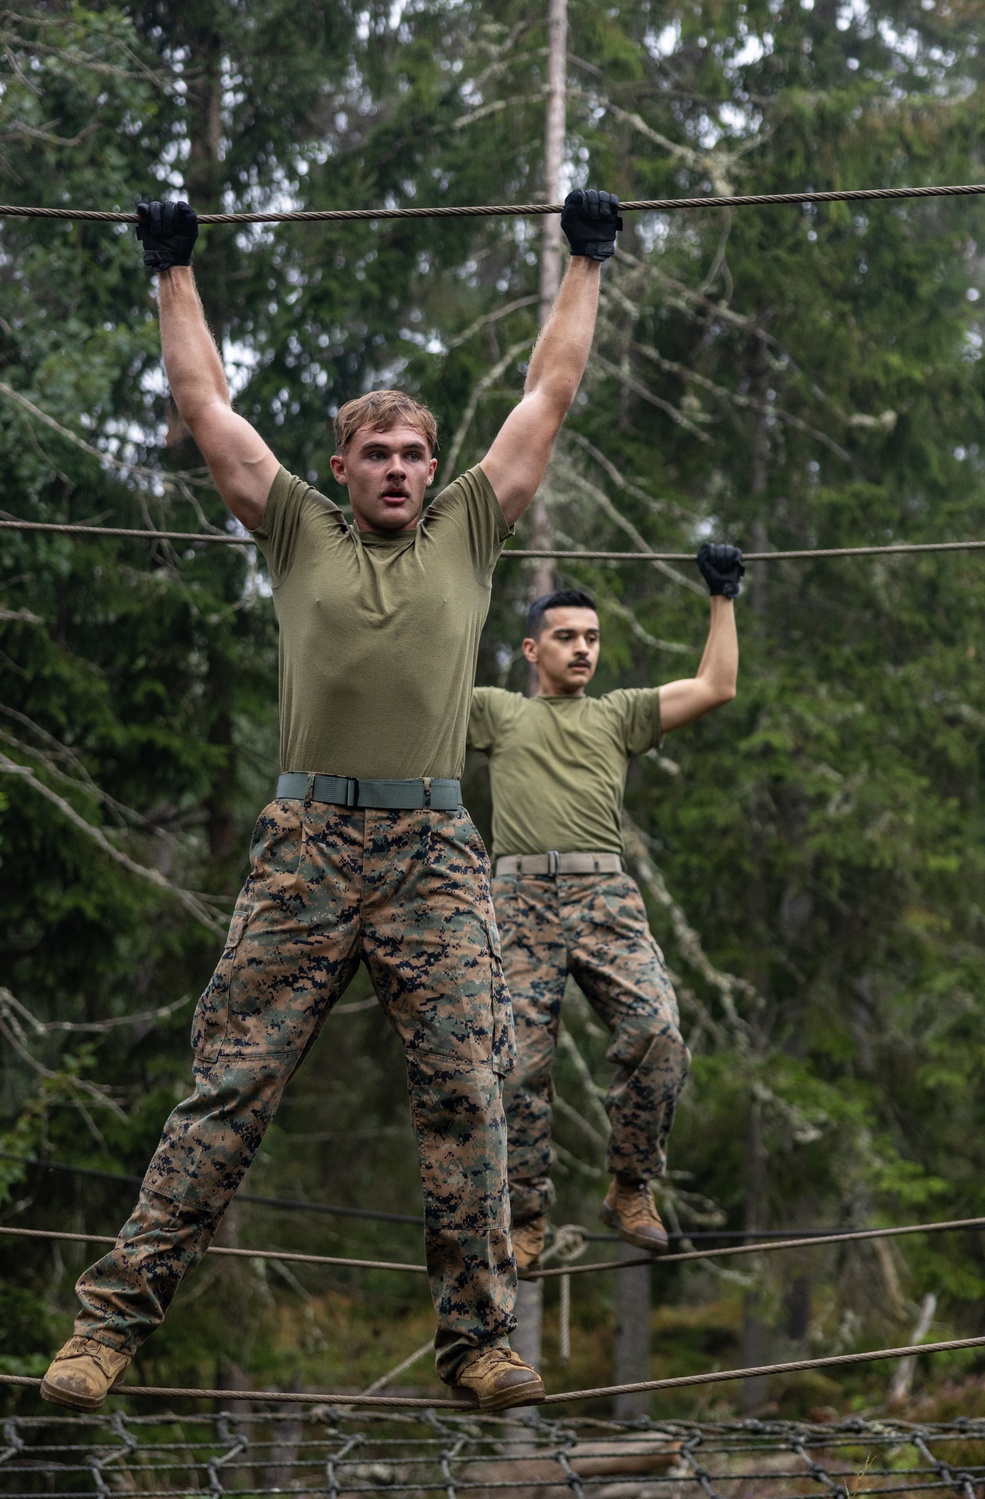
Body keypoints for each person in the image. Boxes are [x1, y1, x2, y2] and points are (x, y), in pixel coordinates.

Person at [41, 188, 624, 1414]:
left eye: (417, 452)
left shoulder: (471, 528)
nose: (404, 469)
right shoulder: (295, 527)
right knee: (228, 1090)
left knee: (469, 1086)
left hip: (429, 848)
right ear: (342, 467)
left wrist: (586, 260)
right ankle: (106, 1331)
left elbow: (547, 397)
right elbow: (207, 406)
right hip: (307, 843)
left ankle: (476, 1342)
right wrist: (172, 269)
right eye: (381, 453)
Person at [466, 545, 743, 1272]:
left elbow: (716, 685)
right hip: (519, 899)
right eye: (566, 636)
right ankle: (524, 1216)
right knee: (517, 1066)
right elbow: (416, 690)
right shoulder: (497, 714)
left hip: (604, 897)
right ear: (532, 649)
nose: (583, 648)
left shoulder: (620, 715)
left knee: (659, 1032)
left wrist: (723, 595)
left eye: (591, 637)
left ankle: (630, 1186)